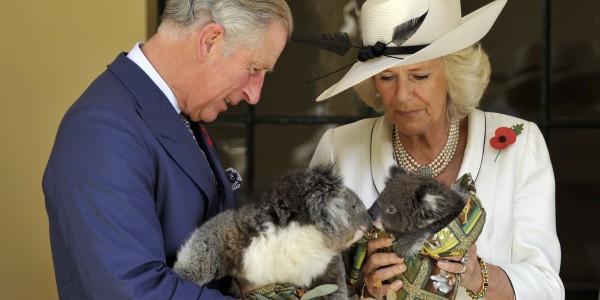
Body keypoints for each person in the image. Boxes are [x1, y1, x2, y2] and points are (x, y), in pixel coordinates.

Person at [308, 0, 564, 299]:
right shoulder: (339, 149)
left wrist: (475, 275)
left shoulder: (519, 146)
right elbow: (299, 284)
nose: (402, 96)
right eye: (387, 77)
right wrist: (362, 287)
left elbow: (547, 288)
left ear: (452, 73)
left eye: (420, 76)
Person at [42, 0, 292, 299]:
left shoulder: (176, 111)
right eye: (254, 68)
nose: (255, 94)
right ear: (210, 41)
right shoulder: (100, 129)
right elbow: (131, 290)